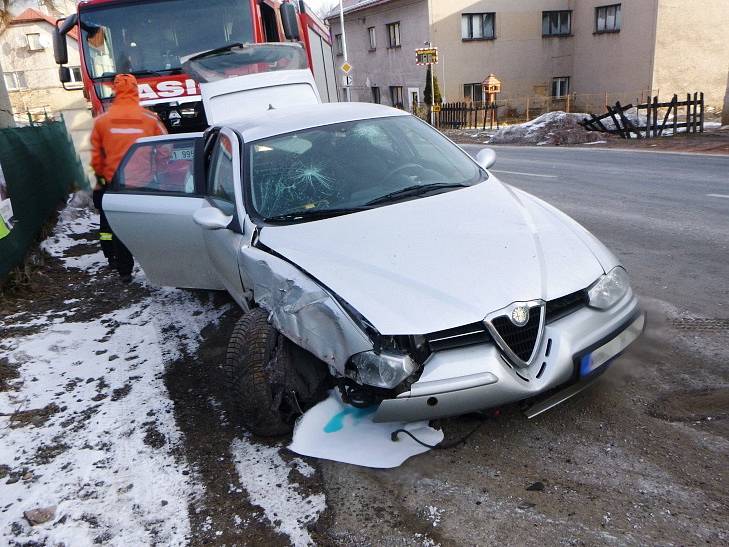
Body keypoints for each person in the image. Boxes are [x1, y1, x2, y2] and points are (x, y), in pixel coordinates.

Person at [90, 73, 167, 283]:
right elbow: (165, 150)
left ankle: (124, 271)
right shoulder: (150, 119)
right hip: (144, 182)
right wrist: (158, 171)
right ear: (136, 90)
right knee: (148, 225)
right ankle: (160, 267)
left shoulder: (102, 121)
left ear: (114, 91)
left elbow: (96, 155)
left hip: (114, 185)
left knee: (118, 226)